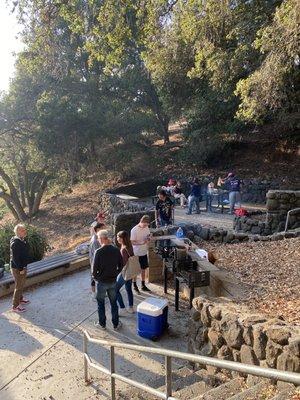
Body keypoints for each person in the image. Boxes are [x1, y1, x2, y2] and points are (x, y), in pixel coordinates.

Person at [92, 230, 123, 330]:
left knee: (100, 304)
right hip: (113, 281)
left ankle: (102, 324)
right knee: (114, 303)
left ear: (101, 239)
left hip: (101, 282)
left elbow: (94, 270)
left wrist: (97, 278)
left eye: (98, 238)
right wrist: (115, 274)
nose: (98, 240)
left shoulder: (98, 252)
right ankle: (116, 324)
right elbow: (121, 265)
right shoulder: (116, 250)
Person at [10, 224, 30, 313]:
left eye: (25, 230)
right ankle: (15, 306)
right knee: (18, 287)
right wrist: (21, 269)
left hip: (22, 267)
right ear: (18, 232)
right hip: (18, 268)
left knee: (21, 284)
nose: (25, 231)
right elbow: (15, 258)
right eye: (23, 230)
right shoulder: (16, 243)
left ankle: (20, 299)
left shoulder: (21, 240)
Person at [130, 215, 151, 293]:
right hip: (136, 252)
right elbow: (132, 241)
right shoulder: (134, 230)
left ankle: (143, 285)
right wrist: (141, 243)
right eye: (144, 225)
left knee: (143, 269)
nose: (145, 226)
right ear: (141, 221)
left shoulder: (146, 228)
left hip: (144, 252)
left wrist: (148, 238)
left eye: (146, 225)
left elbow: (148, 236)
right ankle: (134, 285)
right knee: (135, 270)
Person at [115, 231, 135, 314]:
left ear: (123, 238)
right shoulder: (129, 246)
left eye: (118, 237)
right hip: (130, 271)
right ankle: (131, 307)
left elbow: (123, 263)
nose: (117, 239)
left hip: (125, 272)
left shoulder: (123, 249)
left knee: (115, 289)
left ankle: (122, 308)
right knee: (129, 289)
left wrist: (116, 270)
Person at [89, 222, 105, 294]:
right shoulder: (95, 240)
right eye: (103, 229)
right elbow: (97, 254)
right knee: (94, 278)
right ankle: (94, 293)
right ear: (98, 229)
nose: (105, 230)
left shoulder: (98, 237)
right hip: (96, 263)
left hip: (98, 262)